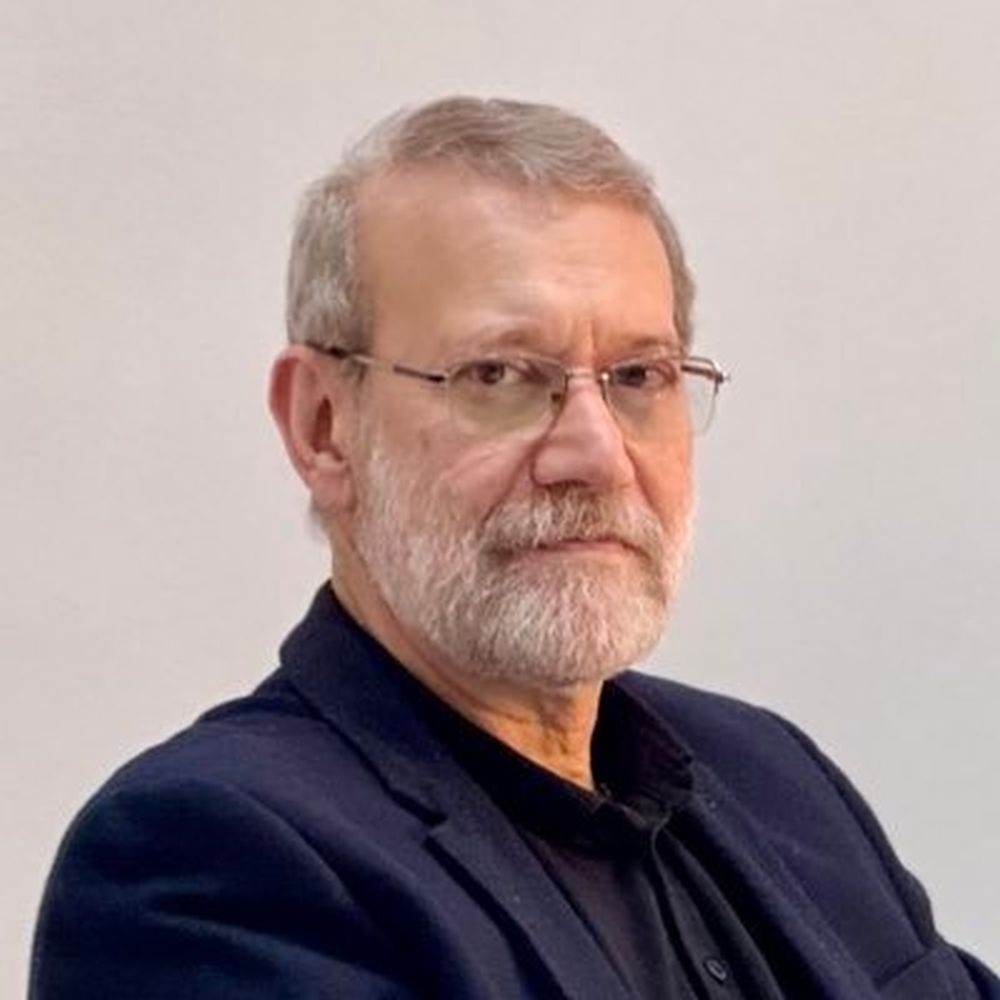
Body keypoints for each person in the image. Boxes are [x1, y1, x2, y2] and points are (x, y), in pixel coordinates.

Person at [31, 97, 997, 999]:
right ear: (324, 426)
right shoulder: (209, 860)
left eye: (639, 375)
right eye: (499, 375)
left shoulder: (774, 775)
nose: (595, 455)